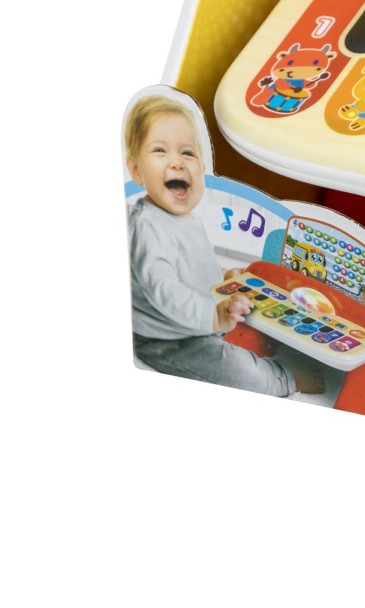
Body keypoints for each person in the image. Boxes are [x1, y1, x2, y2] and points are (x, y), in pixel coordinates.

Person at [125, 94, 322, 396]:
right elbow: (164, 290)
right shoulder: (147, 227)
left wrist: (222, 278)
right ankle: (285, 378)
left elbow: (194, 264)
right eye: (160, 151)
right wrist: (213, 316)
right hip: (169, 340)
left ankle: (250, 334)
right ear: (136, 170)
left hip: (205, 318)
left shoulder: (184, 218)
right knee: (237, 372)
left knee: (267, 307)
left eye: (188, 153)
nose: (177, 162)